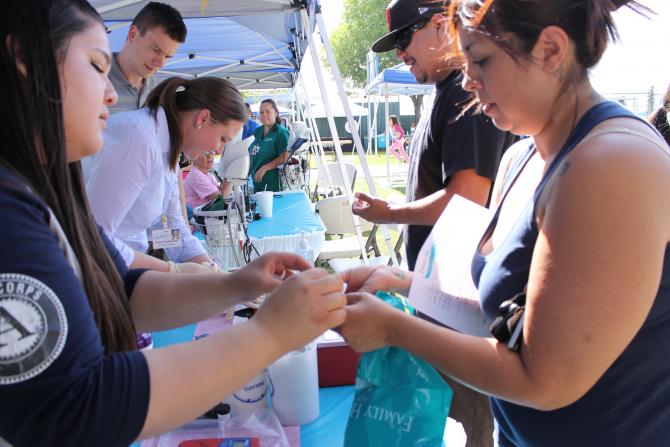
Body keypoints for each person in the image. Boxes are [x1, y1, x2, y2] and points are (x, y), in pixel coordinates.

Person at [0, 1, 346, 445]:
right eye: (94, 65)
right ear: (25, 62)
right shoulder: (11, 214)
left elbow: (122, 286)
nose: (111, 93)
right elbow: (77, 406)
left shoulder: (41, 192)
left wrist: (236, 284)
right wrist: (269, 334)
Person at [339, 0, 670, 445]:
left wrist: (394, 328)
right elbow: (509, 315)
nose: (469, 81)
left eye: (480, 61)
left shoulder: (611, 164)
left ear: (551, 50)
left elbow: (545, 381)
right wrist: (399, 281)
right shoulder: (522, 155)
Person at [354, 1, 516, 443]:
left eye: (405, 37)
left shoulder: (465, 95)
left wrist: (387, 214)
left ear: (441, 24)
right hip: (438, 293)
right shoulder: (444, 93)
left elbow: (466, 199)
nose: (399, 54)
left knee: (470, 421)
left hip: (460, 301)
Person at [84, 76, 245, 272]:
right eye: (222, 139)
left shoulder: (169, 151)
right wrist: (171, 271)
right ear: (202, 118)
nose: (218, 151)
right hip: (96, 273)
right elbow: (93, 236)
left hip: (116, 269)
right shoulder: (138, 138)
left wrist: (210, 268)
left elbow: (170, 224)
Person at [109, 2, 186, 114]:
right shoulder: (91, 80)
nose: (161, 63)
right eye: (156, 50)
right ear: (133, 34)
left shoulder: (161, 94)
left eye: (168, 56)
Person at [248, 99, 290, 192]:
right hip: (258, 184)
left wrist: (264, 168)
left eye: (268, 112)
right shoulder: (257, 131)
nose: (264, 115)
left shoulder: (281, 132)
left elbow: (284, 157)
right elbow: (251, 153)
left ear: (276, 112)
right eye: (261, 112)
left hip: (273, 185)